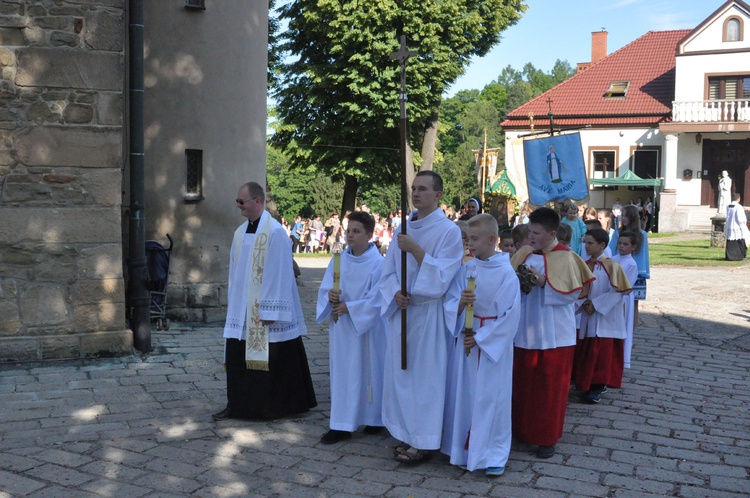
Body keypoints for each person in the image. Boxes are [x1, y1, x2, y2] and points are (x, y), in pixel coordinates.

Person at [213, 182, 317, 422]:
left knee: (273, 359)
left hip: (265, 309)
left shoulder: (275, 232)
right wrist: (234, 302)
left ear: (257, 201)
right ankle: (237, 404)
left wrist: (270, 308)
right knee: (238, 356)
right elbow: (234, 271)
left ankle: (269, 407)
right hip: (243, 308)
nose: (238, 206)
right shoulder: (240, 232)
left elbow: (279, 271)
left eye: (242, 201)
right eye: (237, 201)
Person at [379, 170, 463, 465]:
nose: (415, 194)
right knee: (402, 376)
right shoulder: (404, 226)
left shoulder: (448, 231)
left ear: (438, 195)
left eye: (423, 189)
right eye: (414, 188)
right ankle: (406, 431)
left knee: (425, 379)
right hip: (403, 312)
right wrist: (395, 293)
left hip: (429, 315)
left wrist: (415, 250)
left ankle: (424, 440)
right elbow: (387, 272)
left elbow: (443, 276)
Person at [510, 207, 594, 459]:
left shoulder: (567, 258)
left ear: (552, 233)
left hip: (554, 335)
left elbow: (572, 295)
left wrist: (543, 281)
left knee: (550, 389)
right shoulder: (524, 253)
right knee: (523, 385)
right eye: (529, 231)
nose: (531, 236)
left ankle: (546, 437)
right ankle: (522, 431)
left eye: (536, 232)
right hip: (524, 330)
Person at [441, 214, 521, 475]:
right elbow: (449, 302)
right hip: (466, 338)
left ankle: (492, 454)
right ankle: (462, 449)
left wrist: (480, 338)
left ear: (492, 239)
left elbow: (510, 317)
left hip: (489, 345)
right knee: (464, 396)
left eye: (474, 239)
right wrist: (460, 303)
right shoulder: (466, 269)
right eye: (467, 239)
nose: (470, 244)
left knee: (490, 399)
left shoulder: (507, 273)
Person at [316, 211, 386, 444]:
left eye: (356, 231)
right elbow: (325, 289)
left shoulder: (378, 264)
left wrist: (351, 308)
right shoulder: (339, 260)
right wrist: (330, 296)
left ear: (369, 234)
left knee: (369, 371)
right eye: (349, 230)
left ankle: (374, 419)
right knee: (344, 373)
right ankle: (342, 424)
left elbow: (377, 299)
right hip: (343, 328)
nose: (350, 235)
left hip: (368, 330)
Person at [573, 228, 632, 404]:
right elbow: (577, 288)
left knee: (602, 353)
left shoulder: (613, 266)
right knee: (588, 350)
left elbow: (618, 291)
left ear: (602, 245)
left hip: (605, 317)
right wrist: (583, 303)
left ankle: (598, 386)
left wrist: (597, 304)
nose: (586, 246)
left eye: (590, 243)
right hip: (588, 314)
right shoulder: (584, 265)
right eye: (585, 242)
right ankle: (585, 384)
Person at [608, 205, 650, 342]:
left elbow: (644, 255)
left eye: (625, 216)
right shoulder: (618, 233)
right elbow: (612, 251)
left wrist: (642, 272)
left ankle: (630, 331)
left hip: (637, 274)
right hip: (620, 270)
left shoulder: (642, 235)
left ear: (632, 217)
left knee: (634, 304)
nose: (623, 218)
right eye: (622, 216)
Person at [611, 231, 639, 369]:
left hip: (623, 298)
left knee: (621, 327)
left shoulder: (631, 264)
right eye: (620, 243)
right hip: (611, 295)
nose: (621, 246)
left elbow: (626, 284)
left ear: (633, 247)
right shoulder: (613, 259)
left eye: (625, 244)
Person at [725, 193, 749, 260]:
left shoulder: (728, 206)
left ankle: (729, 256)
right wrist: (744, 225)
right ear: (739, 198)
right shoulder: (738, 207)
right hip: (737, 227)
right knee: (740, 241)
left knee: (730, 242)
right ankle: (739, 256)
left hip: (729, 226)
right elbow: (740, 219)